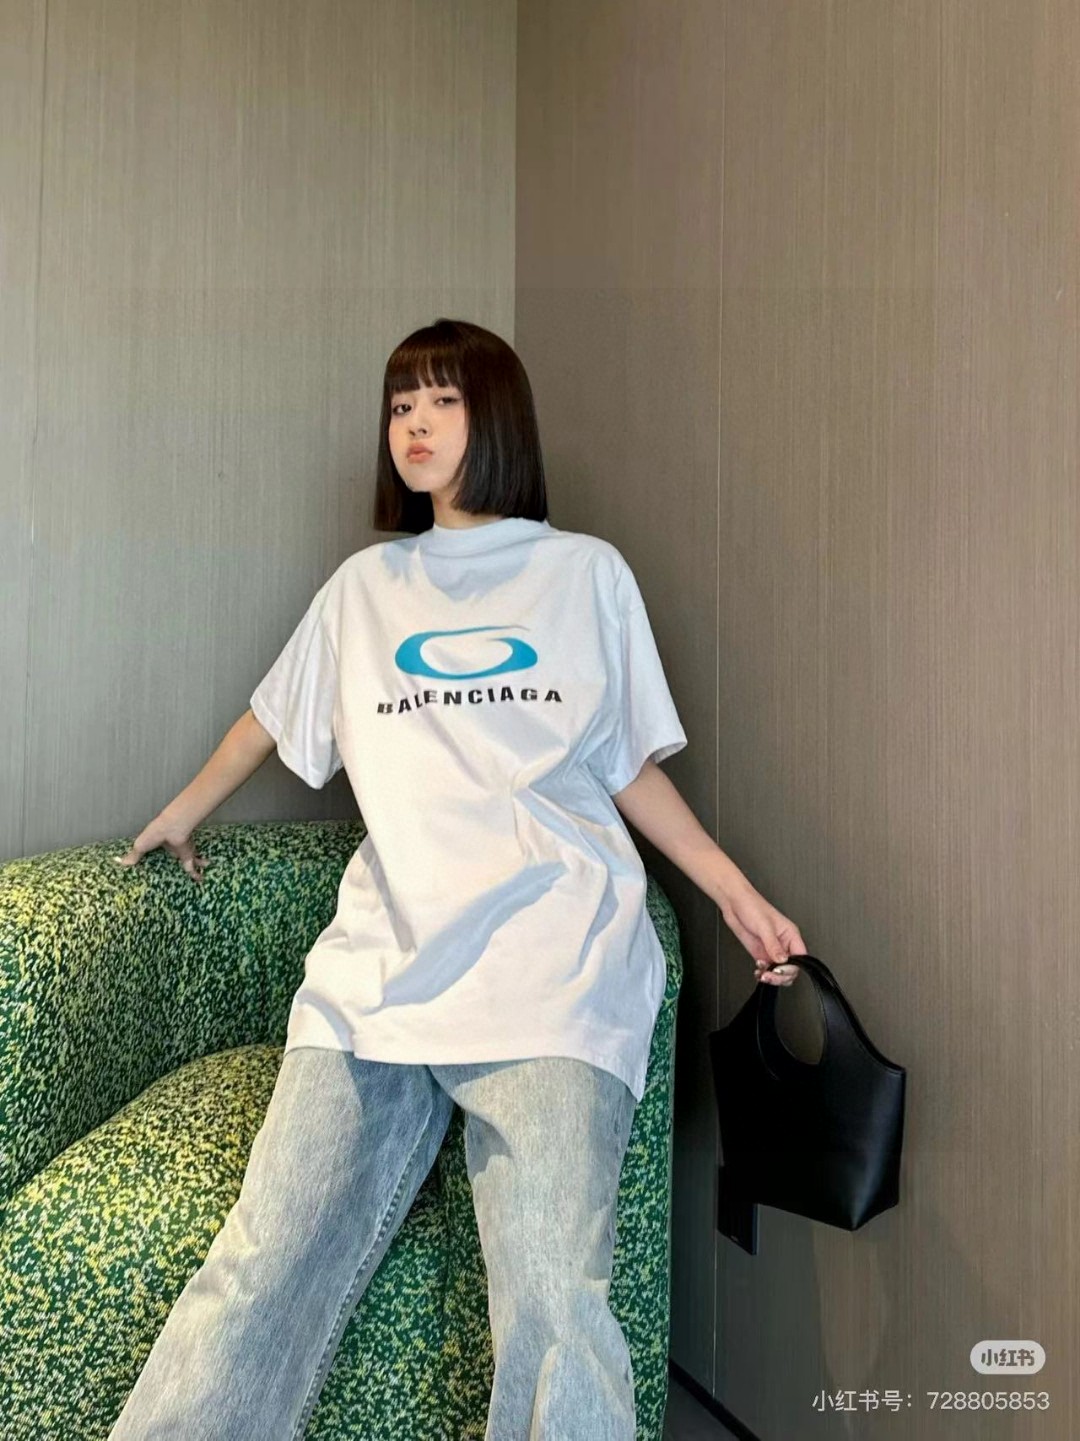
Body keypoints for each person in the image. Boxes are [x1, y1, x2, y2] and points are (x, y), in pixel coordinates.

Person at [108, 318, 806, 1440]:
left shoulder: (585, 574)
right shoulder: (365, 587)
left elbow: (624, 762)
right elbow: (271, 716)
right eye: (401, 405)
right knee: (260, 1262)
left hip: (551, 964)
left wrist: (733, 891)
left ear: (499, 419)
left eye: (443, 400)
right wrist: (179, 814)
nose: (416, 425)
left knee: (554, 1302)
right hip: (380, 973)